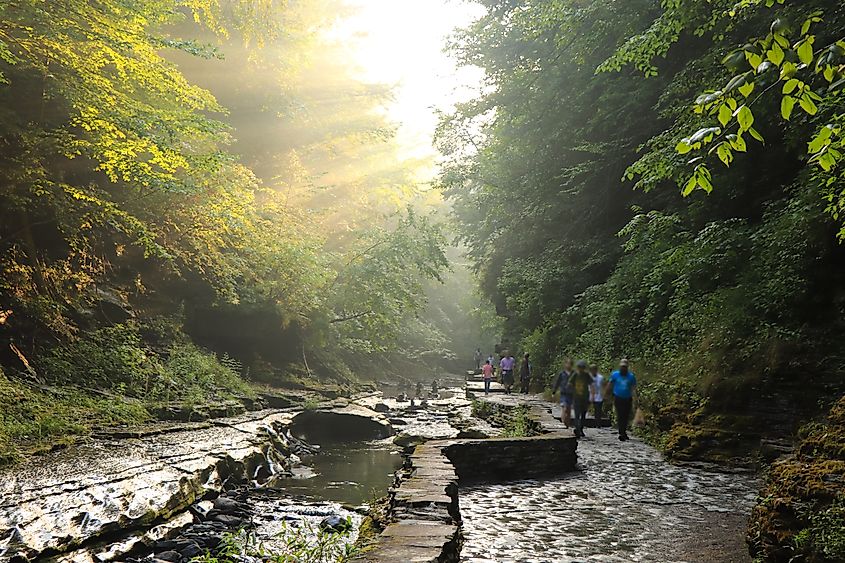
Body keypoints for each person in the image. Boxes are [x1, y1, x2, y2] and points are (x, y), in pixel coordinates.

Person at [605, 358, 637, 441]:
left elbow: (633, 388)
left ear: (627, 367)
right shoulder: (615, 375)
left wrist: (635, 398)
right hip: (618, 397)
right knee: (620, 414)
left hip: (627, 398)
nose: (623, 368)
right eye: (622, 367)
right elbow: (610, 384)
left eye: (625, 367)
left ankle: (623, 431)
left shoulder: (631, 376)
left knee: (626, 415)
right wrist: (607, 394)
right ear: (620, 367)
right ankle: (621, 432)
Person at [569, 360, 594, 438]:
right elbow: (570, 384)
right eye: (579, 367)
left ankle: (580, 429)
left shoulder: (587, 375)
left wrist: (592, 396)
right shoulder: (575, 375)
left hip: (585, 398)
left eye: (582, 367)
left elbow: (591, 385)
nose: (581, 369)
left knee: (583, 415)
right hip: (576, 398)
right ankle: (577, 429)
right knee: (577, 415)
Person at [552, 358, 574, 428]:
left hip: (571, 394)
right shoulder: (562, 374)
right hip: (564, 393)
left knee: (569, 410)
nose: (569, 365)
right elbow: (557, 383)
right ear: (565, 365)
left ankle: (567, 425)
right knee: (565, 408)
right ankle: (563, 424)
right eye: (567, 364)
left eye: (570, 364)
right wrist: (554, 392)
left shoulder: (574, 374)